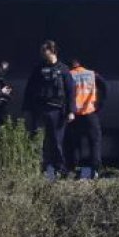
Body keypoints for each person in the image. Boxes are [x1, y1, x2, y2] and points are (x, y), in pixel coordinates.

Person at [23, 41, 76, 181]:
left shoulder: (64, 69)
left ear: (53, 51)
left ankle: (59, 171)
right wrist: (27, 109)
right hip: (40, 110)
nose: (42, 54)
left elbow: (70, 92)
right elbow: (29, 90)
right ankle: (40, 170)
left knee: (57, 142)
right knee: (38, 141)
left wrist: (71, 111)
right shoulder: (38, 69)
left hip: (57, 111)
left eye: (45, 51)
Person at [66, 59, 107, 180]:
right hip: (90, 113)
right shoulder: (91, 74)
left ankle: (73, 170)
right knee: (94, 142)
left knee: (74, 144)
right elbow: (105, 87)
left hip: (74, 115)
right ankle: (94, 171)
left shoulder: (69, 74)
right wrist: (99, 104)